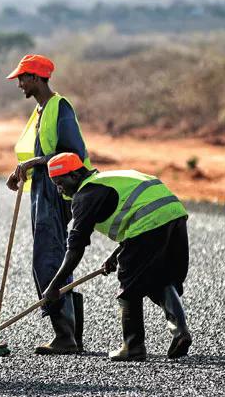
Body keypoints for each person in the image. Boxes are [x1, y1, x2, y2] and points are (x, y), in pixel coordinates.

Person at [44, 152, 192, 361]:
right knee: (161, 278)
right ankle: (180, 332)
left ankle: (133, 347)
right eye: (55, 185)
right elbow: (135, 212)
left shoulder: (85, 195)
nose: (59, 189)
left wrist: (55, 286)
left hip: (148, 224)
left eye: (60, 182)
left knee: (129, 284)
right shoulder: (106, 180)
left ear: (75, 175)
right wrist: (116, 254)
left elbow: (75, 249)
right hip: (174, 215)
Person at [5, 54, 93, 354]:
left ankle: (65, 335)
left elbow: (72, 155)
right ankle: (70, 336)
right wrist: (23, 169)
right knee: (50, 255)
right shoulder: (40, 110)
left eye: (23, 78)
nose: (19, 84)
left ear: (37, 78)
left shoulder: (59, 107)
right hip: (42, 189)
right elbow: (39, 152)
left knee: (48, 257)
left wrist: (35, 163)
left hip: (58, 192)